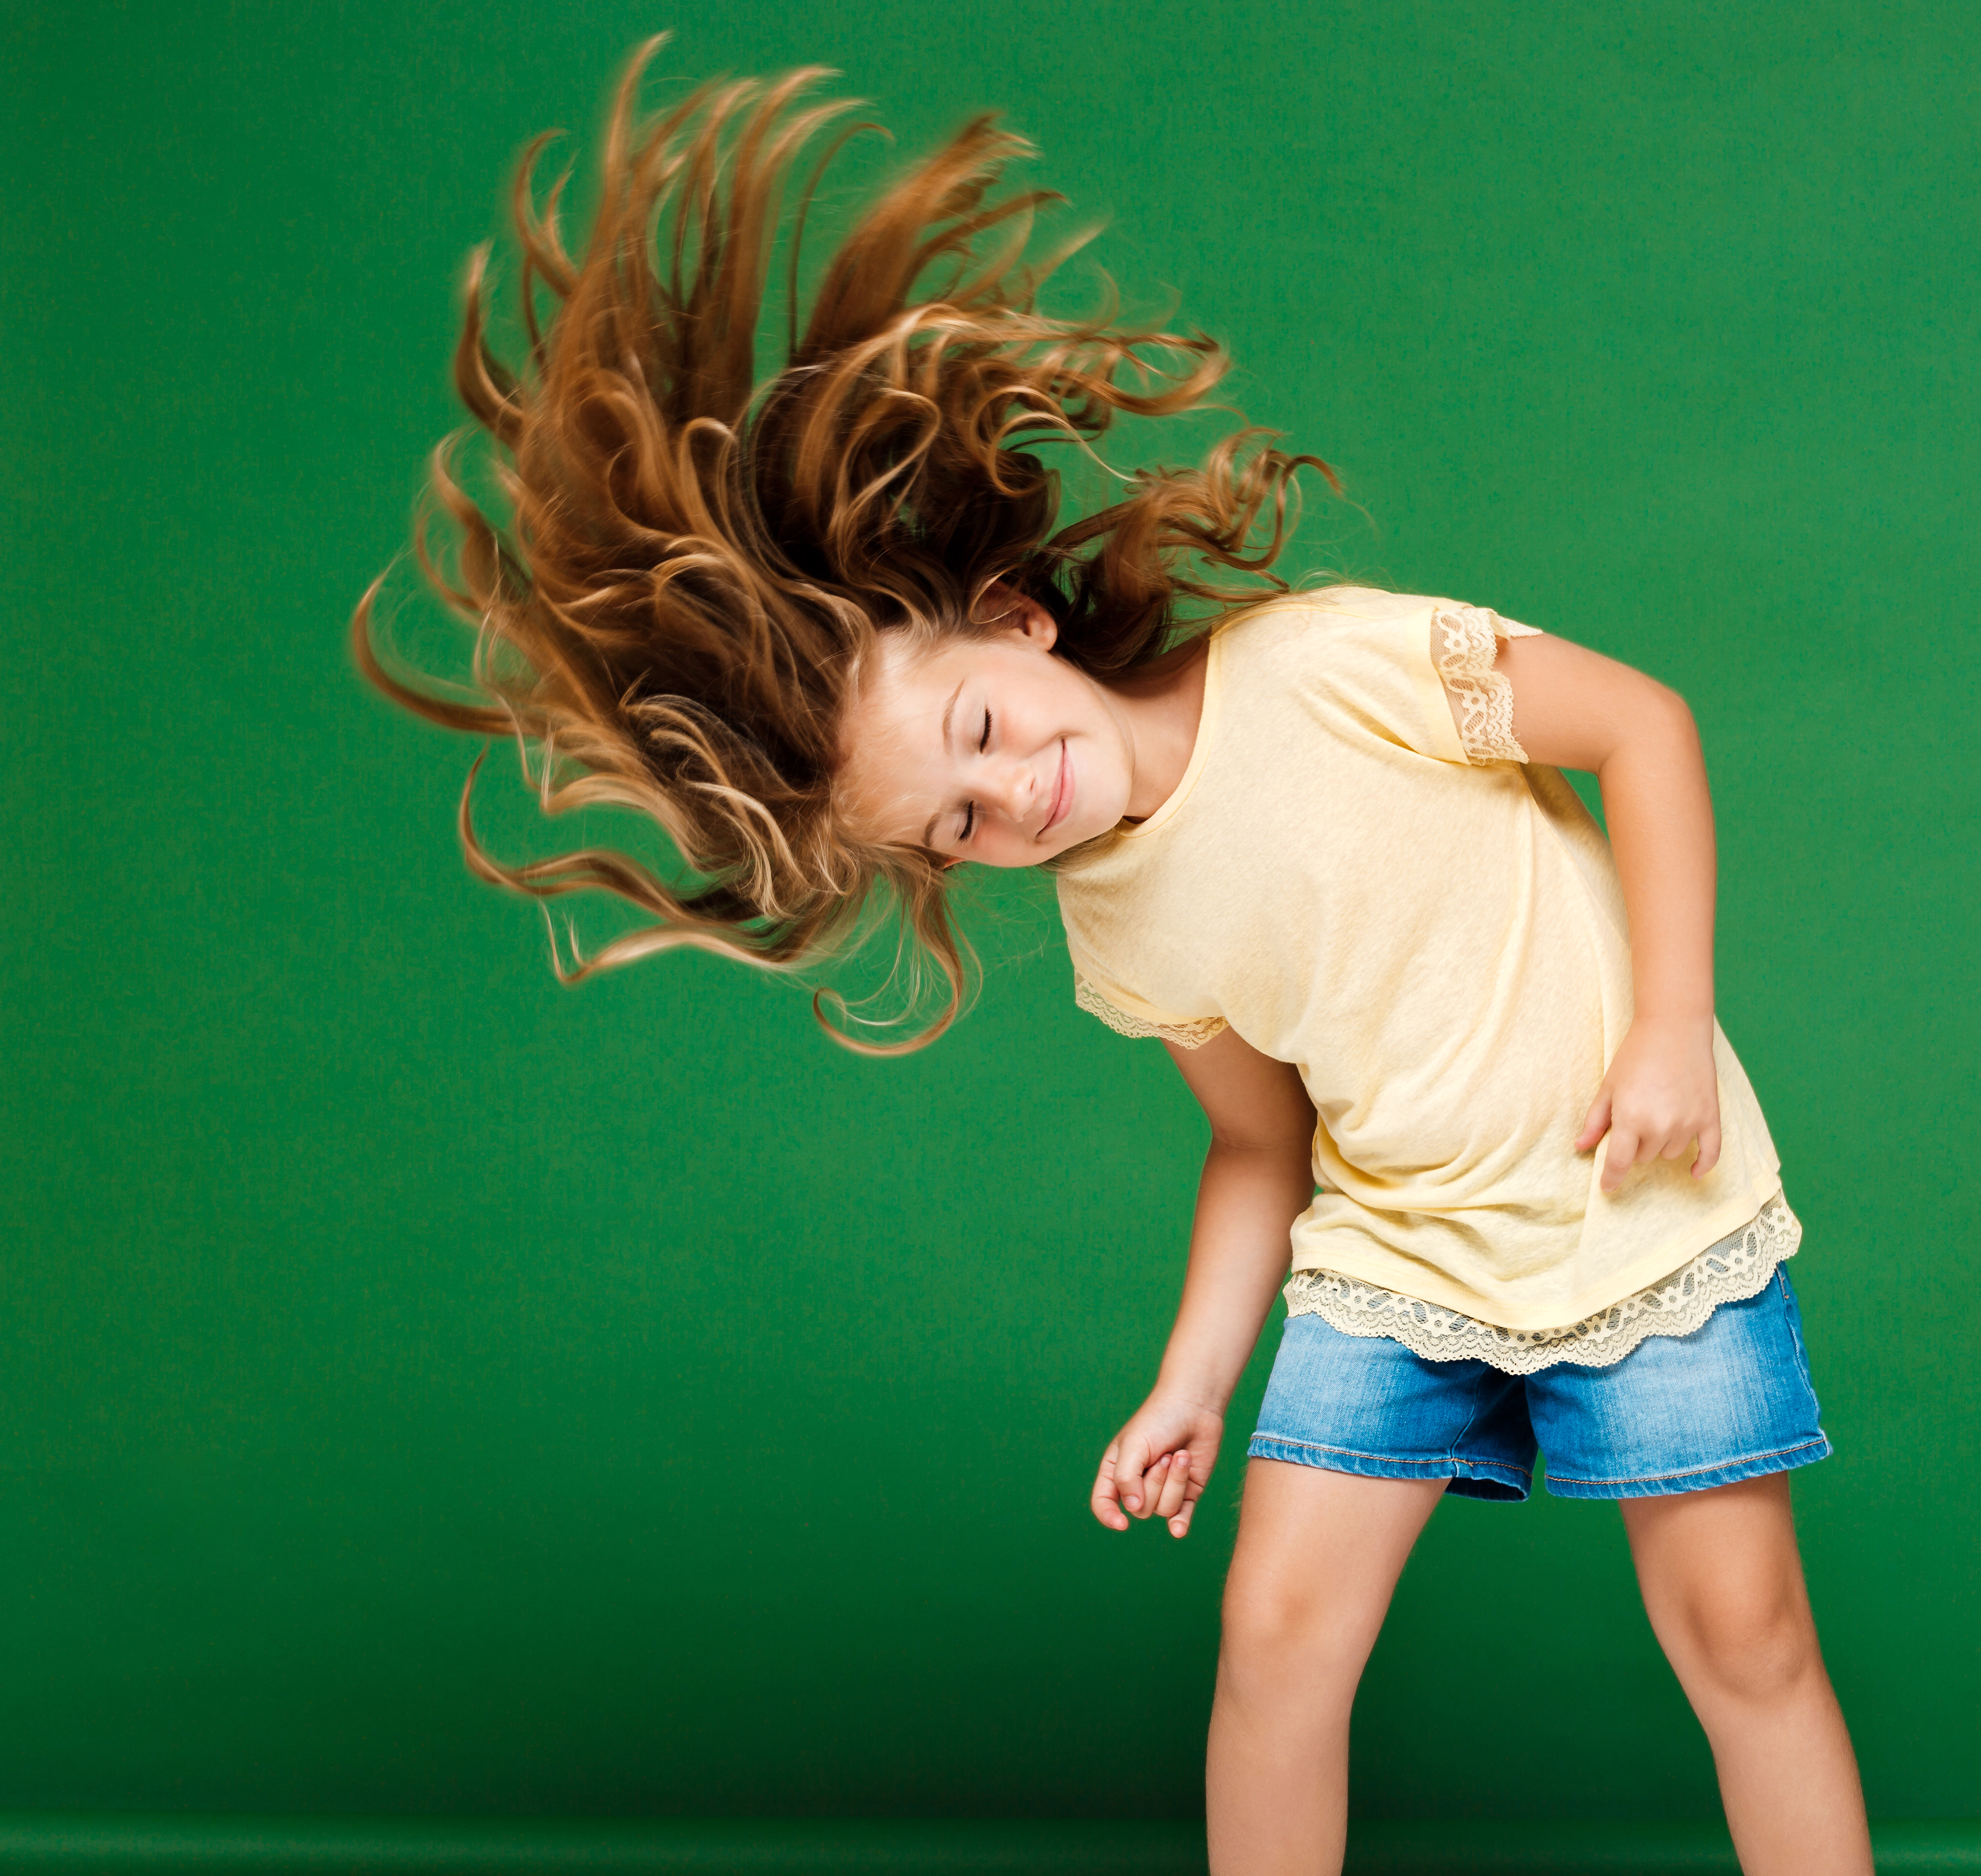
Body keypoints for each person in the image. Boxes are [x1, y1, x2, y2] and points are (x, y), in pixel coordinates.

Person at [357, 38, 1874, 1876]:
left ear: (1015, 621)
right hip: (1397, 1254)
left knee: (1744, 1639)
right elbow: (1260, 1147)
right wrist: (1190, 1382)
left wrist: (1675, 1025)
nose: (1012, 799)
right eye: (960, 829)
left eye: (984, 735)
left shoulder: (1333, 663)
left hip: (1644, 1210)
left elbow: (1643, 726)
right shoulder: (1115, 919)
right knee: (1273, 1648)